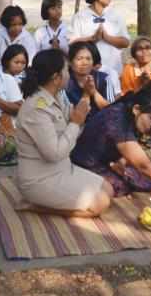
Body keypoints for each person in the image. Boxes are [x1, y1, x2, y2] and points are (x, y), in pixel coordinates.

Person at [14, 49, 114, 218]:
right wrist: (75, 123)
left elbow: (68, 135)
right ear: (55, 77)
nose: (69, 73)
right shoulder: (36, 108)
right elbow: (54, 153)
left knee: (109, 190)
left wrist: (77, 122)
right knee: (101, 203)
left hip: (63, 169)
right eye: (66, 70)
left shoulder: (56, 96)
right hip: (39, 180)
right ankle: (39, 207)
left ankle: (48, 201)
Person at [68, 0, 130, 79]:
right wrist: (92, 38)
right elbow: (72, 44)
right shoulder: (80, 17)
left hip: (113, 72)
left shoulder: (115, 15)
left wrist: (108, 38)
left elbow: (126, 42)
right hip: (87, 73)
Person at [65, 42, 115, 119]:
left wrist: (94, 92)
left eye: (88, 59)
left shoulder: (104, 78)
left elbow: (112, 111)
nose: (85, 63)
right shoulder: (64, 82)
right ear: (70, 61)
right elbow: (71, 117)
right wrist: (86, 93)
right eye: (79, 59)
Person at [0, 5, 36, 69]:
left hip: (20, 72)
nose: (17, 28)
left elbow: (30, 61)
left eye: (20, 24)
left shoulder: (27, 38)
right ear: (6, 24)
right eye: (13, 25)